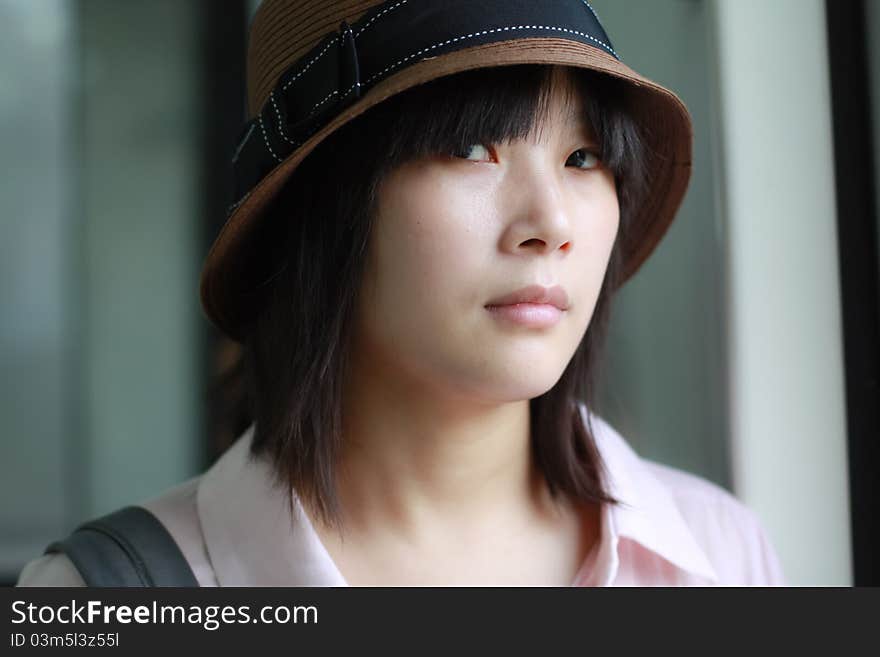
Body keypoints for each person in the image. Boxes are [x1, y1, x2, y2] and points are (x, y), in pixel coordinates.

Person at [18, 0, 785, 586]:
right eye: (470, 147)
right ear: (327, 206)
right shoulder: (112, 592)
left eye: (583, 156)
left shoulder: (719, 554)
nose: (550, 223)